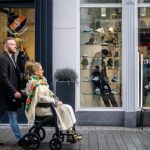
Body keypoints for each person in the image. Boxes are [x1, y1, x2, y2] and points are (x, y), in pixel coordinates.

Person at [24, 61, 83, 140]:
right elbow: (41, 98)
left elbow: (48, 93)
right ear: (36, 72)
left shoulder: (41, 81)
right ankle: (69, 132)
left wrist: (55, 98)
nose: (43, 71)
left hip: (47, 106)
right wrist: (55, 101)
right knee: (63, 109)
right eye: (41, 69)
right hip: (41, 109)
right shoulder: (33, 84)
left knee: (68, 107)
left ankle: (71, 131)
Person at [0, 37, 23, 146]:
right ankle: (20, 139)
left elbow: (13, 76)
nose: (15, 46)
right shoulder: (3, 58)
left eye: (15, 44)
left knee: (9, 115)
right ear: (5, 46)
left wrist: (19, 89)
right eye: (12, 44)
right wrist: (14, 91)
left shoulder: (11, 58)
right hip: (6, 95)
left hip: (9, 94)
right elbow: (3, 77)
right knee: (12, 116)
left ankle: (20, 139)